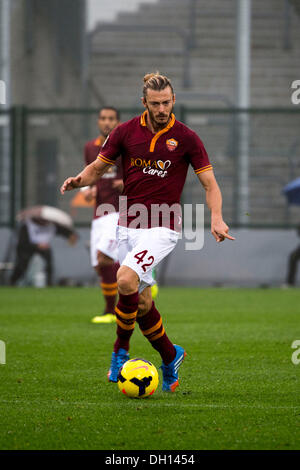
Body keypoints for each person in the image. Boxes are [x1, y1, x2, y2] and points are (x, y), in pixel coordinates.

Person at [60, 72, 235, 392]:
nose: (162, 108)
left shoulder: (187, 138)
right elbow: (98, 168)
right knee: (139, 302)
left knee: (124, 279)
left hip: (163, 225)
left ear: (174, 101)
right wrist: (78, 180)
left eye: (167, 102)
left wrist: (217, 218)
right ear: (144, 103)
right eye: (155, 103)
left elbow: (209, 183)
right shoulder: (125, 132)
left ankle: (119, 352)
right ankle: (170, 355)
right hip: (129, 224)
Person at [83, 107, 123, 324]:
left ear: (117, 122)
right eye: (103, 118)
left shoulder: (124, 148)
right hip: (98, 214)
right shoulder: (90, 148)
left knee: (104, 258)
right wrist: (87, 190)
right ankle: (144, 279)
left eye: (111, 119)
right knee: (101, 265)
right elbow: (89, 175)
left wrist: (124, 183)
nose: (106, 122)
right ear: (98, 121)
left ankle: (111, 312)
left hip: (118, 211)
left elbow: (136, 177)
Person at [10, 216, 77, 286]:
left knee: (48, 266)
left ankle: (48, 283)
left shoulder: (51, 225)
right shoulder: (27, 226)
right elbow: (22, 243)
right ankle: (14, 282)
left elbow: (64, 231)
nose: (45, 222)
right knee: (22, 266)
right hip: (27, 249)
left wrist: (70, 235)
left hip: (44, 250)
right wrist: (37, 245)